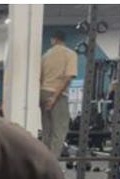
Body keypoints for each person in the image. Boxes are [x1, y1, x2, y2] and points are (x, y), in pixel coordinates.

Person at [39, 30, 77, 159]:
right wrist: (54, 97)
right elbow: (67, 77)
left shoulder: (45, 56)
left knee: (47, 131)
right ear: (63, 40)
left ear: (53, 40)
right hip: (58, 94)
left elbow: (40, 78)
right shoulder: (70, 54)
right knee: (59, 131)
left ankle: (44, 162)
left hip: (43, 92)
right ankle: (53, 164)